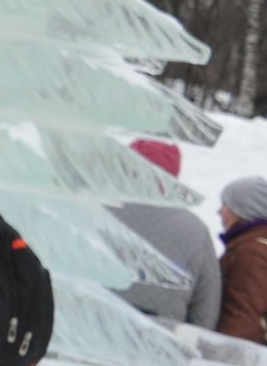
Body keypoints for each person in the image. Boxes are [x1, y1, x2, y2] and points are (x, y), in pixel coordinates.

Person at [111, 139, 220, 329]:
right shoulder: (196, 230)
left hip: (85, 334)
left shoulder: (94, 211)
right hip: (159, 343)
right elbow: (205, 310)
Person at [215, 176, 267, 344]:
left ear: (242, 210)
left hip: (240, 359)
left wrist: (222, 358)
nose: (219, 211)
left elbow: (242, 321)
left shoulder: (251, 253)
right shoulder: (252, 245)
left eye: (225, 205)